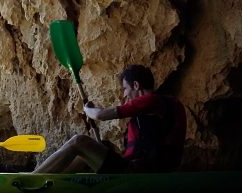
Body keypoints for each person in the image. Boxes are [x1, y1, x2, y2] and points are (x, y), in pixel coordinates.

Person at [34, 64, 186, 173]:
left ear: (136, 85)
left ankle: (33, 178)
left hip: (138, 173)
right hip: (144, 168)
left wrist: (87, 110)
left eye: (125, 89)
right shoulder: (166, 104)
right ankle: (53, 184)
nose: (125, 94)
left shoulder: (152, 100)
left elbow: (101, 115)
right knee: (85, 154)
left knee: (78, 141)